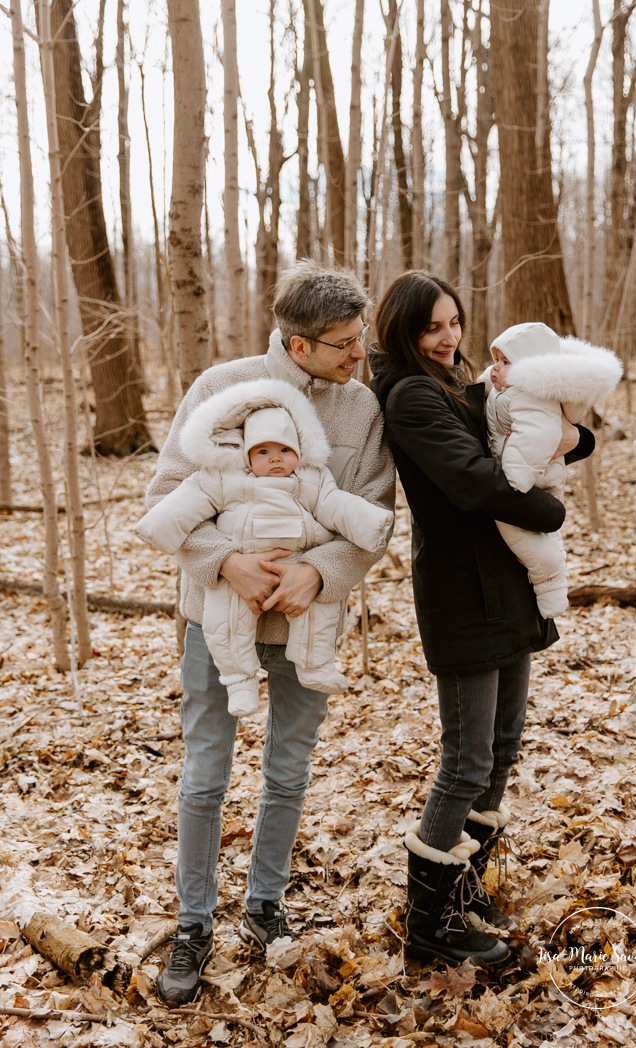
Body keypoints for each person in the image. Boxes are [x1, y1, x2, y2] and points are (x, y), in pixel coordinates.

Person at [146, 260, 394, 1005]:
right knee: (204, 777)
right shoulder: (219, 390)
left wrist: (319, 574)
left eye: (361, 340)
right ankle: (194, 924)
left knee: (287, 771)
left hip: (309, 624)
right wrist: (226, 563)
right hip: (216, 620)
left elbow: (375, 514)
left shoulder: (362, 408)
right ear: (297, 342)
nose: (360, 356)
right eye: (345, 343)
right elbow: (166, 498)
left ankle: (263, 906)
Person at [369, 272, 594, 968]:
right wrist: (552, 513)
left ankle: (462, 894)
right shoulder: (409, 395)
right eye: (431, 326)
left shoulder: (457, 385)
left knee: (499, 749)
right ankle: (429, 924)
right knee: (465, 761)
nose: (447, 337)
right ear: (403, 330)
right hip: (460, 592)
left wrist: (572, 438)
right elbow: (473, 482)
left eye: (454, 322)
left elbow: (532, 428)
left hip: (503, 587)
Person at [135, 378, 393, 715]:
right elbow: (184, 501)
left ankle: (315, 665)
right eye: (263, 452)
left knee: (320, 611)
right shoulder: (226, 477)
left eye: (284, 451)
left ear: (298, 452)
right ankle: (239, 679)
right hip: (238, 565)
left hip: (300, 562)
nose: (275, 460)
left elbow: (337, 505)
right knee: (226, 620)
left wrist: (372, 524)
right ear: (247, 454)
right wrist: (161, 528)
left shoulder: (311, 479)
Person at [478, 322, 622, 618]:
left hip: (532, 476)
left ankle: (551, 583)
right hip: (534, 473)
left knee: (517, 532)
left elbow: (537, 434)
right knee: (544, 535)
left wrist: (514, 478)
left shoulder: (530, 394)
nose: (496, 368)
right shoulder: (507, 390)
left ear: (528, 368)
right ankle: (553, 585)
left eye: (506, 362)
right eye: (496, 360)